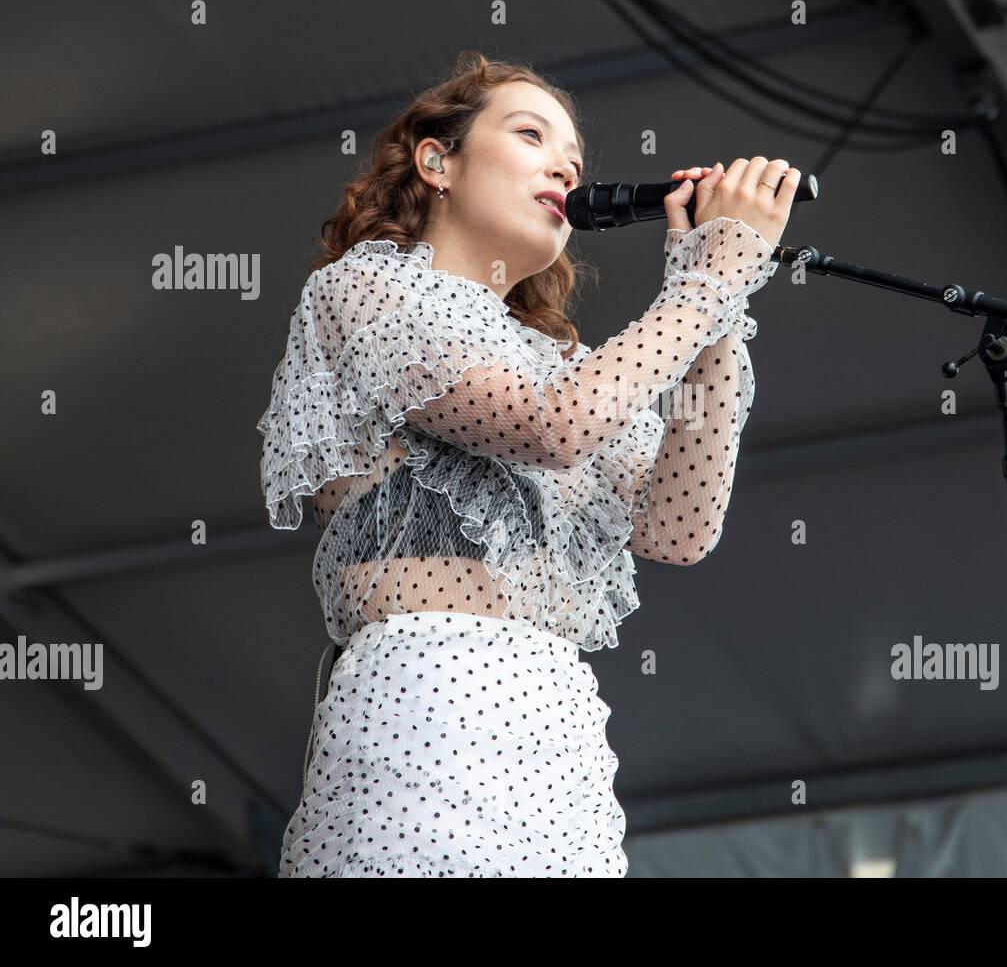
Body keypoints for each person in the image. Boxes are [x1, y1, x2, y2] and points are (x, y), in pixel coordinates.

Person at [258, 50, 797, 876]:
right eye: (531, 134)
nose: (565, 166)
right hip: (427, 699)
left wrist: (715, 298)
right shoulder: (365, 293)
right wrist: (705, 288)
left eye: (575, 159)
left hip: (558, 723)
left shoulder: (554, 356)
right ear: (438, 161)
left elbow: (678, 526)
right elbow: (553, 428)